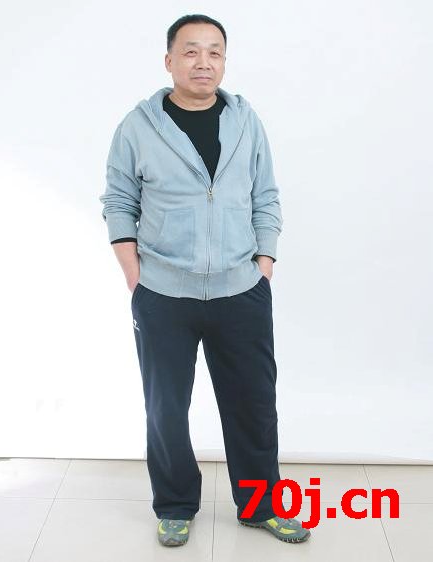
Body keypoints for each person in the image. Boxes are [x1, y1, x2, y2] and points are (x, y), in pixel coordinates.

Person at [99, 13, 311, 547]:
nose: (203, 62)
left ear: (224, 61)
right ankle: (174, 505)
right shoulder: (138, 126)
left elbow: (266, 194)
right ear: (169, 60)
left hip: (242, 290)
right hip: (163, 294)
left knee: (254, 405)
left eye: (214, 51)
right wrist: (136, 276)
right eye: (191, 51)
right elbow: (119, 201)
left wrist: (264, 262)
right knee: (166, 409)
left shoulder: (245, 120)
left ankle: (261, 506)